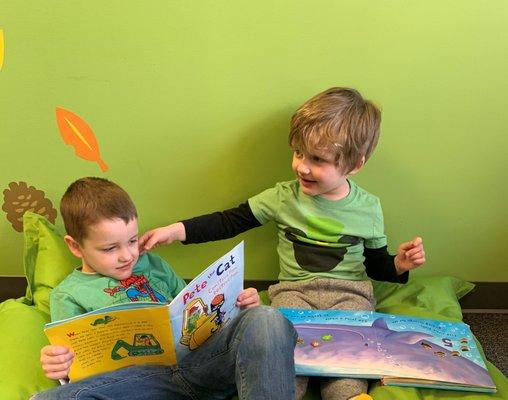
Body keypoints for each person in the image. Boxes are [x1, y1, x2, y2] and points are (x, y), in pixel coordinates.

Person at [139, 87, 426, 400]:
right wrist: (177, 231)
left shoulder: (368, 207)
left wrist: (399, 264)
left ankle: (349, 395)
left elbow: (376, 265)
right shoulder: (282, 197)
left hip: (350, 295)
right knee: (284, 355)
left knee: (347, 359)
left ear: (355, 164)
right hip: (294, 293)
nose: (301, 166)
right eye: (299, 153)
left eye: (317, 159)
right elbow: (230, 221)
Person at [32, 177, 297, 400]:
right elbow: (76, 368)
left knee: (267, 318)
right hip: (139, 383)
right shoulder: (68, 294)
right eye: (110, 248)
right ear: (75, 246)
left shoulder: (153, 264)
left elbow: (192, 311)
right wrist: (60, 366)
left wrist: (237, 308)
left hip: (201, 366)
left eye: (132, 241)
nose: (127, 256)